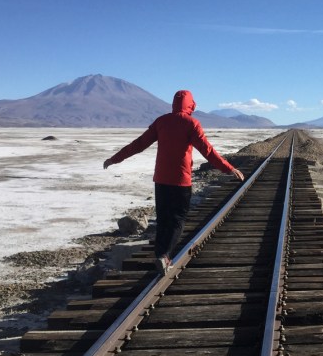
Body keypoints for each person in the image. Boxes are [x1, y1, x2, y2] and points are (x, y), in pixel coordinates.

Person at [104, 89, 244, 273]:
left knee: (163, 219)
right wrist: (229, 168)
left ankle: (160, 254)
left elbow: (138, 144)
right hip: (181, 181)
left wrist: (115, 159)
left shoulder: (161, 122)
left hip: (161, 180)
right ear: (191, 104)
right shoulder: (191, 124)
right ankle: (164, 256)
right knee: (177, 220)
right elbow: (207, 151)